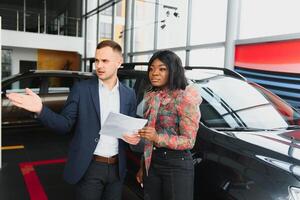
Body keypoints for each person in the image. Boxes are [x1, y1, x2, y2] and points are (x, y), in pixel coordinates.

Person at [6, 40, 140, 200]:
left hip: (118, 169)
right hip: (90, 166)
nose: (99, 65)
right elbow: (64, 124)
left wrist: (135, 137)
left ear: (119, 62)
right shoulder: (82, 89)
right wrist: (41, 109)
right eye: (96, 60)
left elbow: (131, 128)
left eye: (105, 61)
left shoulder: (129, 94)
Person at [135, 50, 201, 200]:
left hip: (176, 164)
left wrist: (157, 137)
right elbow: (149, 136)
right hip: (152, 162)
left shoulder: (185, 97)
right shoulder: (152, 95)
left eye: (162, 69)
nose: (155, 73)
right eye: (151, 68)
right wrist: (143, 166)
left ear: (173, 71)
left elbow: (189, 140)